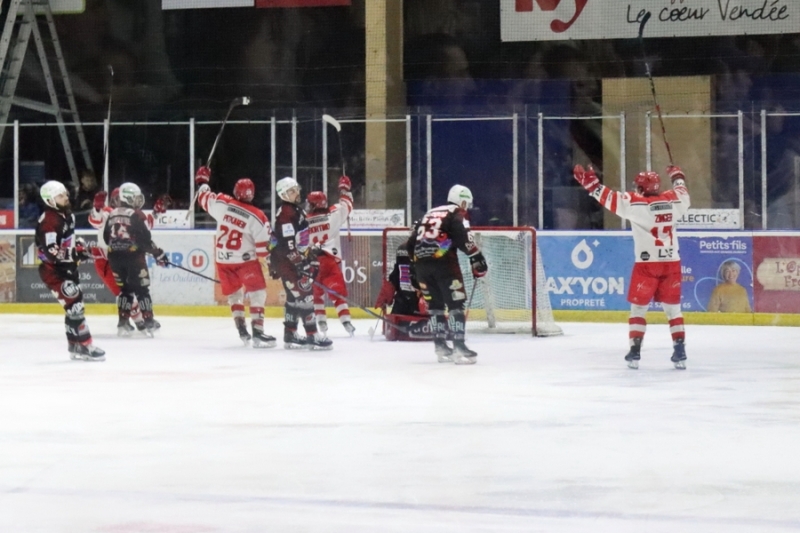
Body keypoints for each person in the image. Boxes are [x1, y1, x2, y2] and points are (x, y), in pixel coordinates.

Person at [573, 164, 691, 369]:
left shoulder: (635, 204)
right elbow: (682, 189)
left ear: (642, 188)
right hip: (671, 263)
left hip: (647, 265)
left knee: (638, 308)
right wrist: (676, 174)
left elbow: (608, 198)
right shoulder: (675, 200)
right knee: (673, 310)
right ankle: (679, 350)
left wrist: (592, 185)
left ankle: (635, 351)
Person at [194, 165, 277, 348]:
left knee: (234, 295)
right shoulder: (258, 216)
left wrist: (202, 181)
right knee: (258, 293)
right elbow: (264, 250)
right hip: (244, 262)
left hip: (222, 261)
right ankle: (257, 331)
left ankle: (241, 328)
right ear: (252, 194)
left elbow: (203, 197)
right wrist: (273, 261)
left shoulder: (222, 202)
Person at [408, 184, 487, 364]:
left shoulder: (428, 213)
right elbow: (461, 235)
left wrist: (415, 267)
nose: (466, 207)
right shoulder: (455, 213)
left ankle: (440, 345)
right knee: (456, 304)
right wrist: (476, 257)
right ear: (462, 201)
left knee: (435, 306)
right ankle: (459, 345)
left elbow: (411, 243)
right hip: (443, 263)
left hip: (421, 265)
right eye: (466, 203)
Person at [35, 180, 105, 361]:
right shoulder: (50, 221)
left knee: (73, 307)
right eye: (60, 196)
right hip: (54, 271)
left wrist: (78, 247)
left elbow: (67, 244)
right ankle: (85, 345)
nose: (66, 197)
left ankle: (74, 345)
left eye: (65, 194)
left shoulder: (67, 215)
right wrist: (75, 252)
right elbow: (52, 253)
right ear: (50, 200)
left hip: (68, 269)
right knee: (75, 305)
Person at [89, 187, 167, 335]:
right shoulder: (107, 211)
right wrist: (97, 209)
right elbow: (95, 220)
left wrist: (156, 212)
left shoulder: (113, 214)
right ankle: (145, 322)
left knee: (125, 291)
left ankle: (125, 323)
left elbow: (107, 235)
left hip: (113, 257)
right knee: (140, 290)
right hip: (110, 260)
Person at [268, 177, 332, 350]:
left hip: (287, 262)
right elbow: (287, 245)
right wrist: (301, 264)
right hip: (288, 263)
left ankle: (290, 334)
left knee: (293, 298)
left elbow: (296, 241)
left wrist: (308, 251)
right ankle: (312, 335)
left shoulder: (294, 210)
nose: (296, 193)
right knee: (306, 296)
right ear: (283, 194)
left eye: (296, 189)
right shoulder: (287, 213)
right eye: (291, 191)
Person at [306, 176, 355, 336]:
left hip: (312, 262)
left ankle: (320, 320)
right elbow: (347, 204)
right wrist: (344, 189)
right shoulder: (333, 214)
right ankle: (346, 321)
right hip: (329, 261)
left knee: (316, 294)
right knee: (337, 293)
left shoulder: (304, 221)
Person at [374, 239, 432, 342]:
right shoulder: (422, 251)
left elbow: (396, 275)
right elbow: (396, 276)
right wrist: (389, 290)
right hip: (405, 302)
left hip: (410, 302)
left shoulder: (409, 249)